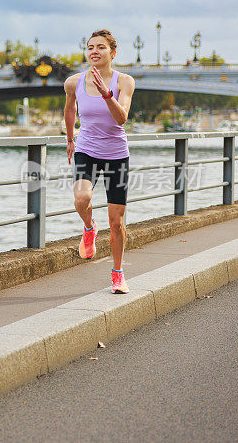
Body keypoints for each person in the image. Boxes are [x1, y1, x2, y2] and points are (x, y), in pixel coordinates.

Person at [63, 29, 136, 294]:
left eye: (101, 47)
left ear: (112, 53)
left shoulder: (124, 81)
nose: (94, 51)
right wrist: (71, 139)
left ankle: (117, 273)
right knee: (82, 198)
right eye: (90, 47)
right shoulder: (74, 82)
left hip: (116, 154)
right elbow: (70, 109)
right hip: (87, 150)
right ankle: (89, 228)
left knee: (116, 222)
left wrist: (108, 94)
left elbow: (122, 118)